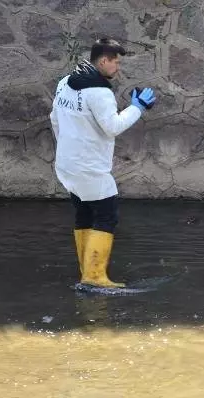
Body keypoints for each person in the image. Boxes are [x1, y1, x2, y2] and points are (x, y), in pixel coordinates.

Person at [49, 38, 156, 288]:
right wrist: (137, 107)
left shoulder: (65, 83)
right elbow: (112, 127)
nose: (118, 68)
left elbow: (54, 118)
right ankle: (95, 277)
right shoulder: (100, 92)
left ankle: (86, 271)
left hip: (67, 164)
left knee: (84, 213)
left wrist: (65, 146)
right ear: (103, 61)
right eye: (116, 63)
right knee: (107, 215)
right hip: (90, 168)